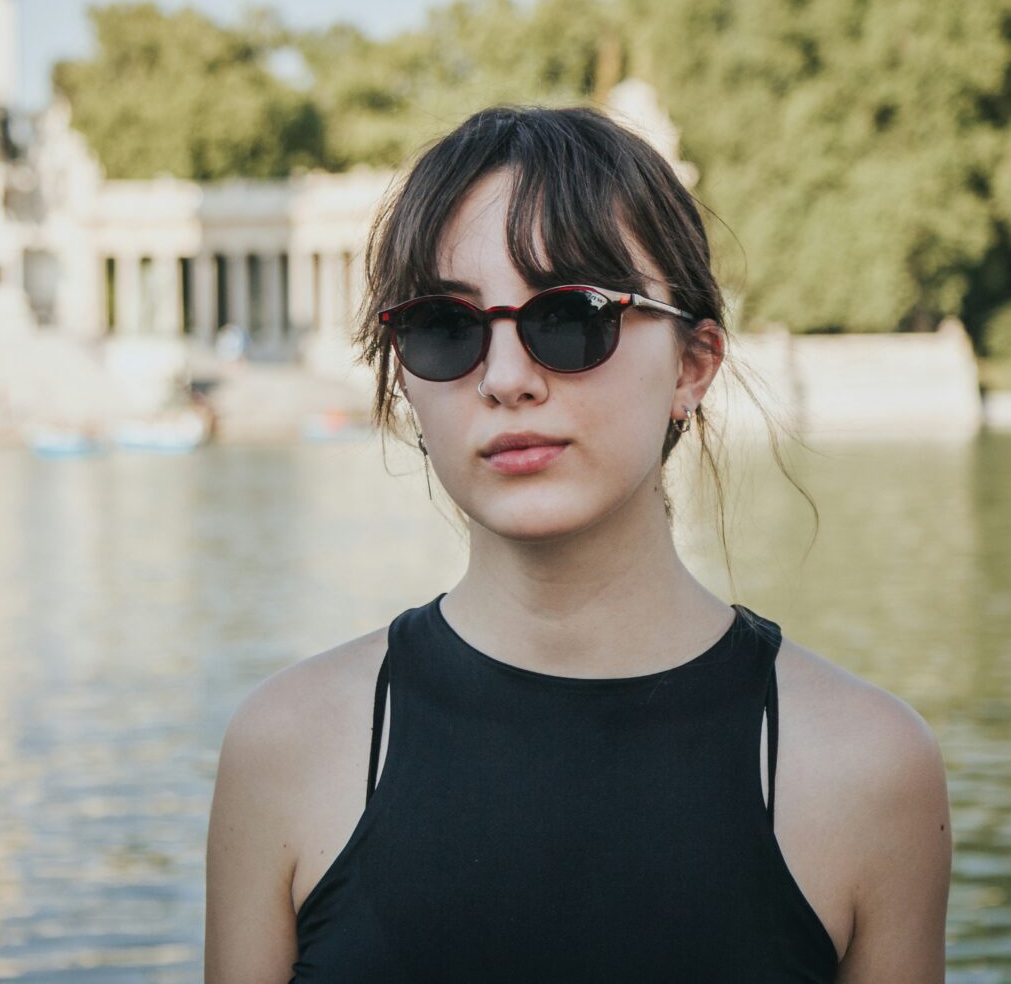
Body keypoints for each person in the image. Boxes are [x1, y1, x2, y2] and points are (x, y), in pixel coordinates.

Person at [205, 106, 951, 983]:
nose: (508, 378)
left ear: (693, 363)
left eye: (571, 317)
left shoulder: (871, 768)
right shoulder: (284, 748)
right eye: (447, 327)